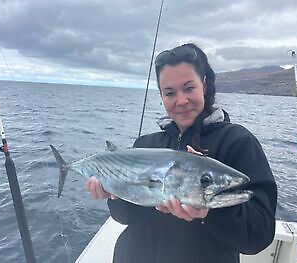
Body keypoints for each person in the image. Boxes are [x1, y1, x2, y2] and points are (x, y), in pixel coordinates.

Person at [86, 43, 277, 263]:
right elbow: (126, 216)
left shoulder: (238, 142)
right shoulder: (146, 143)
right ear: (161, 96)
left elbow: (259, 235)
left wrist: (209, 212)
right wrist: (112, 193)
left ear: (203, 85)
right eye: (170, 92)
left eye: (189, 88)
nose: (181, 100)